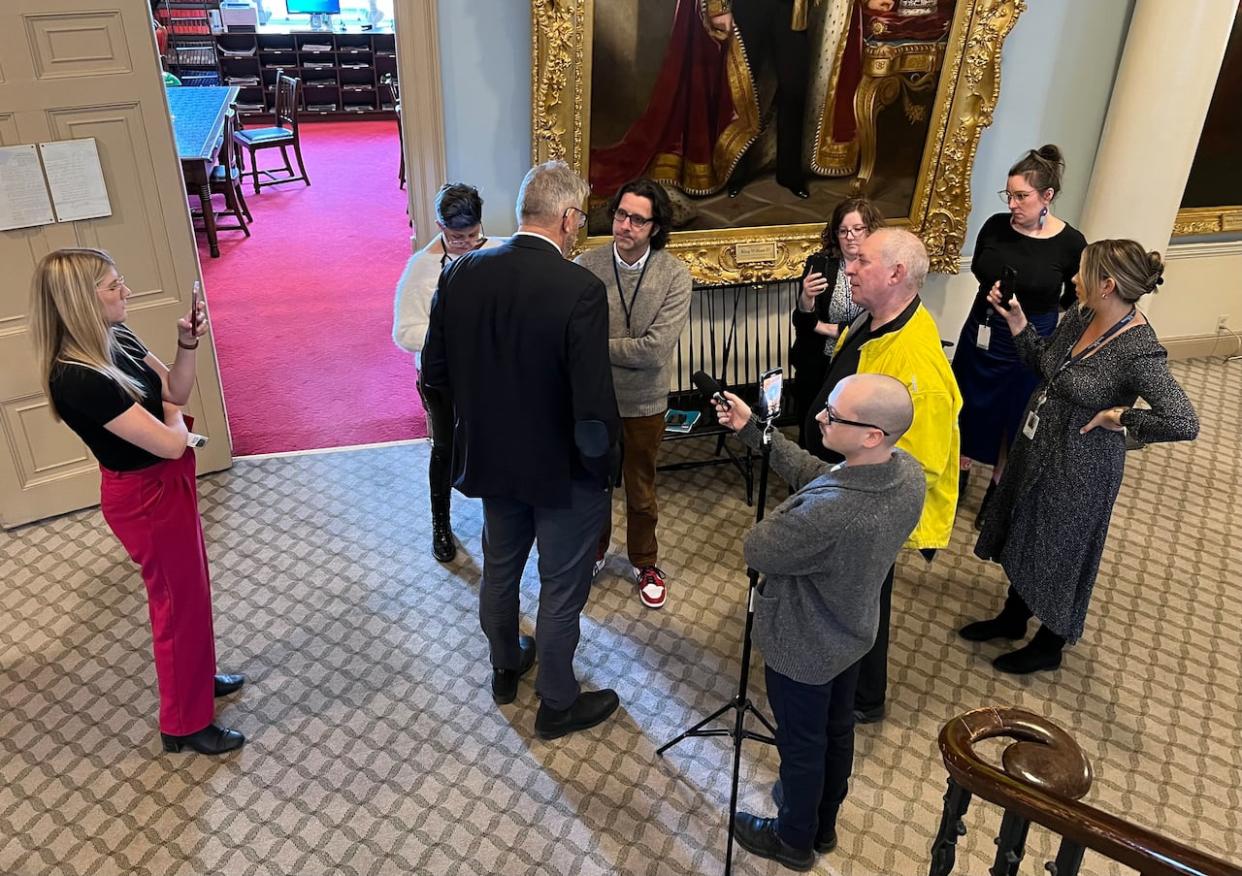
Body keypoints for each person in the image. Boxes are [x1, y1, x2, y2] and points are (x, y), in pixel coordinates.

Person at [421, 161, 623, 740]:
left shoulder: (460, 273)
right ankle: (558, 701)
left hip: (492, 458)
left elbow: (436, 371)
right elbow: (592, 402)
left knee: (500, 571)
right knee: (561, 586)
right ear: (566, 218)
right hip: (563, 473)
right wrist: (604, 470)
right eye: (580, 218)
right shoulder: (581, 289)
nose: (579, 226)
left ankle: (506, 664)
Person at [29, 248, 244, 756]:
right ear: (81, 300)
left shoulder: (117, 336)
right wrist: (175, 424)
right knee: (173, 603)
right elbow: (170, 439)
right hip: (143, 496)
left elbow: (175, 391)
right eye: (112, 286)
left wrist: (186, 344)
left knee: (191, 592)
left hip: (167, 481)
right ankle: (183, 723)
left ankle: (197, 676)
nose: (124, 291)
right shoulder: (77, 377)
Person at [714, 373, 925, 871]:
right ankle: (823, 825)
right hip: (850, 631)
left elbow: (759, 547)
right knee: (836, 731)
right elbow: (822, 475)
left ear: (872, 434)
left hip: (803, 645)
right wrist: (757, 431)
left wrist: (797, 511)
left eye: (833, 415)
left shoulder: (835, 514)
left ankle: (793, 840)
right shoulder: (905, 472)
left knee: (801, 745)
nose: (819, 417)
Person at [963, 240, 1199, 674]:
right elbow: (1047, 365)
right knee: (1025, 526)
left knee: (1060, 548)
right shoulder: (1081, 314)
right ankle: (1014, 616)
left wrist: (1122, 417)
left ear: (1107, 285)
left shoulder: (1139, 350)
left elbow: (1184, 421)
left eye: (1083, 272)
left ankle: (1049, 641)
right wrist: (1018, 323)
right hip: (1038, 442)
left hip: (1081, 463)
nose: (1074, 278)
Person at [801, 228, 961, 723]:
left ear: (896, 273)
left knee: (861, 599)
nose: (849, 267)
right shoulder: (871, 319)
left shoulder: (916, 363)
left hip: (865, 507)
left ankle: (861, 698)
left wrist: (849, 507)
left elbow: (917, 465)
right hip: (838, 485)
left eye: (863, 261)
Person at [951, 145, 1088, 528]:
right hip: (983, 329)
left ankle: (998, 485)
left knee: (1015, 411)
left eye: (1021, 196)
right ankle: (957, 471)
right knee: (968, 399)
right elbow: (980, 266)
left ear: (1047, 196)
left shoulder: (1071, 243)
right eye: (1008, 195)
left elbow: (1074, 297)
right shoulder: (995, 225)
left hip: (1029, 340)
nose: (1012, 203)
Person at [574, 178, 693, 609]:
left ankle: (645, 562)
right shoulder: (587, 265)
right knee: (593, 485)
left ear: (655, 227)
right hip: (595, 400)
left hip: (645, 402)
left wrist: (598, 348)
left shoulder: (675, 274)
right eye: (621, 215)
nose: (624, 226)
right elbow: (573, 337)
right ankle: (595, 550)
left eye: (637, 219)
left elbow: (655, 350)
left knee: (641, 490)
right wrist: (616, 350)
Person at [393, 182, 502, 563]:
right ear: (440, 226)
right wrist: (455, 339)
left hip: (487, 376)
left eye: (473, 234)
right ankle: (441, 524)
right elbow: (404, 333)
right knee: (445, 449)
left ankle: (498, 525)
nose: (468, 243)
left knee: (492, 445)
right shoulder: (421, 269)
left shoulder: (496, 251)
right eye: (458, 237)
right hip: (442, 380)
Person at [790, 197, 885, 445]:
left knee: (851, 427)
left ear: (871, 230)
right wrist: (806, 299)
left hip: (860, 361)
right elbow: (802, 322)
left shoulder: (881, 268)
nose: (850, 236)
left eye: (857, 229)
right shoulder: (821, 264)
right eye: (843, 231)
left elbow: (877, 320)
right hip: (817, 360)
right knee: (811, 422)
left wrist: (825, 327)